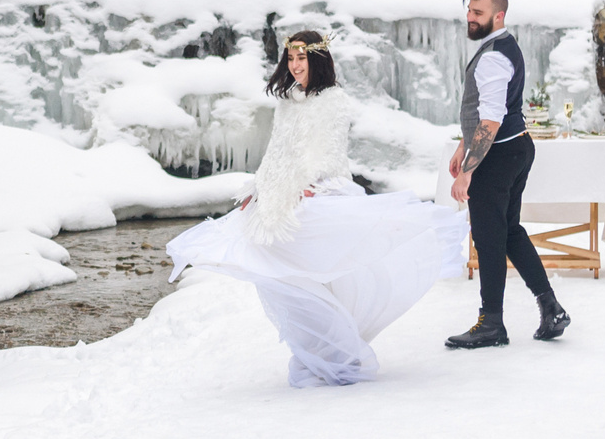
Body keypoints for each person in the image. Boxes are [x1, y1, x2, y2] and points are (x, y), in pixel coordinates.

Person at [166, 30, 466, 387]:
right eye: (291, 59)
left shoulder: (333, 100)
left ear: (317, 60)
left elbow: (328, 151)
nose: (295, 66)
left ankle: (339, 351)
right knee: (285, 273)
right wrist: (260, 188)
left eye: (302, 59)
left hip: (322, 191)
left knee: (327, 275)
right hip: (284, 192)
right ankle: (315, 348)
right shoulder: (288, 100)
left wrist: (307, 185)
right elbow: (277, 151)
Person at [444, 0, 570, 349]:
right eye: (469, 10)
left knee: (488, 238)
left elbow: (491, 119)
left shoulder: (493, 57)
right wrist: (463, 145)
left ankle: (491, 324)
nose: (470, 17)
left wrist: (468, 171)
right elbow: (487, 110)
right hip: (515, 148)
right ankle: (551, 308)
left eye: (478, 12)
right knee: (509, 231)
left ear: (498, 16)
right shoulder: (501, 46)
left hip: (498, 154)